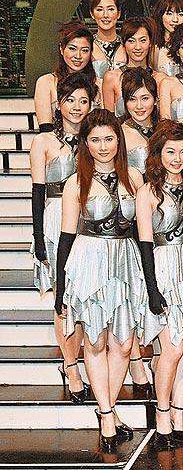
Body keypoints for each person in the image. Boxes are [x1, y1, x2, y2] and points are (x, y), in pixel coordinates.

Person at [55, 109, 145, 452]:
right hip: (89, 260)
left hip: (126, 262)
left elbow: (143, 231)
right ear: (85, 143)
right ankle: (107, 413)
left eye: (109, 138)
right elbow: (65, 236)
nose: (103, 146)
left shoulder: (134, 177)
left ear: (119, 141)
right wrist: (61, 289)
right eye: (95, 140)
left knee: (123, 343)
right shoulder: (75, 182)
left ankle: (109, 406)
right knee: (94, 341)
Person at [30, 73, 96, 404]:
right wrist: (39, 238)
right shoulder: (43, 142)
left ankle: (84, 357)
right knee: (63, 296)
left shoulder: (96, 140)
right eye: (70, 100)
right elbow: (37, 192)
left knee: (83, 293)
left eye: (83, 101)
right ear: (59, 105)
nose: (76, 107)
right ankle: (70, 365)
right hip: (56, 218)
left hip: (88, 220)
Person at [136, 120, 183, 449]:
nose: (177, 159)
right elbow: (145, 244)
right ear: (158, 154)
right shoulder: (147, 192)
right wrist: (152, 289)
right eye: (170, 152)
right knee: (172, 348)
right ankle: (162, 413)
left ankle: (179, 413)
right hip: (162, 269)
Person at [34, 22, 99, 132]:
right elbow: (45, 129)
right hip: (55, 141)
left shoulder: (99, 84)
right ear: (61, 49)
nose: (78, 56)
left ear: (91, 53)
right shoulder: (46, 82)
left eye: (84, 50)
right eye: (72, 49)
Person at [102, 17, 165, 117]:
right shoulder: (112, 78)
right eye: (131, 41)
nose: (138, 47)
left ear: (150, 43)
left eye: (143, 40)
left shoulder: (160, 79)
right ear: (123, 43)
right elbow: (108, 119)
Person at [121, 68, 160, 175]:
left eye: (145, 98)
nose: (139, 106)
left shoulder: (164, 129)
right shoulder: (120, 133)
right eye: (132, 99)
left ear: (155, 100)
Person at [88, 0, 127, 79]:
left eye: (111, 9)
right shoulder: (87, 46)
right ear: (92, 14)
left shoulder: (128, 45)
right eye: (99, 9)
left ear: (119, 13)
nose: (105, 15)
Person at [151, 0, 183, 77]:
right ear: (160, 15)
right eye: (169, 14)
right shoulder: (152, 47)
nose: (175, 19)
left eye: (181, 14)